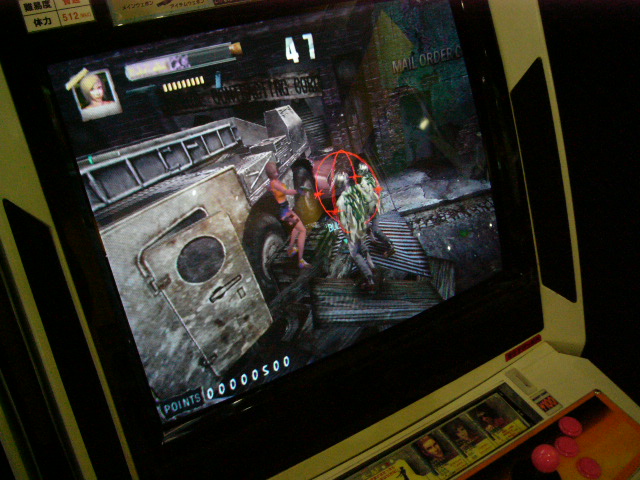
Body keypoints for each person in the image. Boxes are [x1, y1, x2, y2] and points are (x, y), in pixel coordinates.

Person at [334, 163, 394, 290]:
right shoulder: (357, 190)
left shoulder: (341, 201)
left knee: (355, 253)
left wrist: (335, 229)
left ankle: (369, 279)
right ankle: (372, 267)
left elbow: (343, 221)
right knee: (363, 247)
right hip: (362, 224)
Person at [265, 162, 311, 269]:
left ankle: (290, 249)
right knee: (302, 230)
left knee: (296, 228)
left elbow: (272, 189)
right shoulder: (275, 183)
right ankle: (300, 261)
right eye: (274, 172)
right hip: (285, 211)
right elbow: (286, 191)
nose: (277, 173)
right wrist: (298, 191)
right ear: (272, 174)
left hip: (286, 209)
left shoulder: (273, 183)